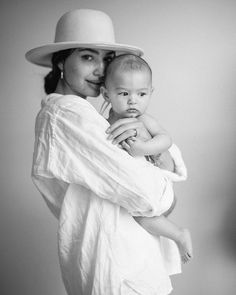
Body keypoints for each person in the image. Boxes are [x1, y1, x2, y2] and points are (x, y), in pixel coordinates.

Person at [26, 9, 189, 295]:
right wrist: (164, 179)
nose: (101, 70)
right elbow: (148, 194)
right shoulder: (67, 113)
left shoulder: (95, 116)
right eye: (88, 57)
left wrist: (159, 162)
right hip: (118, 267)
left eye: (107, 59)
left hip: (123, 260)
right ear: (62, 61)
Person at [101, 54, 193, 263]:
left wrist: (142, 148)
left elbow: (165, 139)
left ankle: (179, 235)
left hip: (155, 189)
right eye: (124, 93)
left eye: (141, 94)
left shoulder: (144, 120)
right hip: (133, 187)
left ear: (151, 93)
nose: (133, 100)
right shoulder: (102, 124)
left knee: (137, 215)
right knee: (129, 219)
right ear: (106, 94)